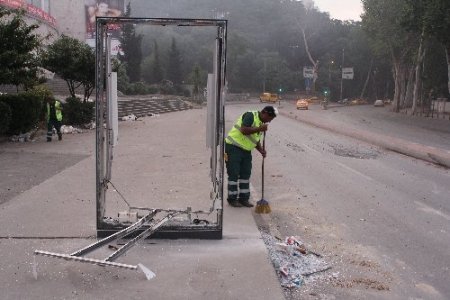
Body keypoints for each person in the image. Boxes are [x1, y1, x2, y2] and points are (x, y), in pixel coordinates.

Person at [224, 106, 278, 207]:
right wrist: (259, 128)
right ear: (265, 113)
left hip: (246, 151)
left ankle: (244, 199)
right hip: (233, 147)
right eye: (270, 119)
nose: (269, 121)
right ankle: (232, 199)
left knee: (245, 174)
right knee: (234, 173)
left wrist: (261, 150)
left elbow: (255, 139)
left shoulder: (261, 123)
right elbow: (244, 130)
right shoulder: (250, 115)